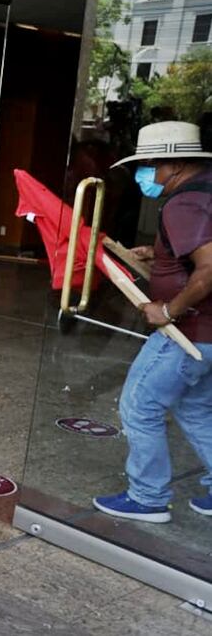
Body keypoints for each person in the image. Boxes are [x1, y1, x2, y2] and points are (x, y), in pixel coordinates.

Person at [93, 121, 212, 523]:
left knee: (140, 404)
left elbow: (209, 268)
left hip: (190, 330)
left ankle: (148, 497)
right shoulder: (206, 191)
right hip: (211, 334)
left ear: (174, 163)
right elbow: (195, 250)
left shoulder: (185, 203)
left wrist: (168, 310)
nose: (147, 172)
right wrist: (160, 253)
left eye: (151, 164)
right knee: (196, 408)